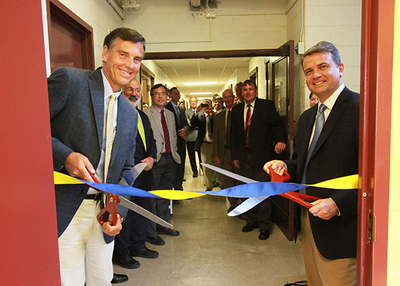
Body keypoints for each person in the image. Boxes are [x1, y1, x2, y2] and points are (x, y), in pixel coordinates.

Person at [48, 27, 145, 286]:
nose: (130, 64)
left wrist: (119, 213)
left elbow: (126, 170)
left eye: (136, 59)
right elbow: (26, 130)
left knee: (102, 280)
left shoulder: (129, 114)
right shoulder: (70, 81)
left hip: (103, 215)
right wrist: (66, 156)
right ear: (105, 53)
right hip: (64, 210)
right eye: (123, 54)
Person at [264, 41, 359, 286]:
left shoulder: (362, 110)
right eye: (308, 71)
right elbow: (301, 164)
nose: (315, 74)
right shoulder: (308, 118)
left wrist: (338, 204)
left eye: (323, 66)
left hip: (340, 225)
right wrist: (284, 165)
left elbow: (378, 175)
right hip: (309, 220)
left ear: (341, 68)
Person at [230, 79, 286, 240]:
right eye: (245, 90)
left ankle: (265, 225)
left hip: (263, 156)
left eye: (251, 89)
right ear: (241, 93)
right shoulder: (237, 109)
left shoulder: (266, 106)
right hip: (244, 155)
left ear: (256, 91)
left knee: (262, 191)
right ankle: (252, 220)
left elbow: (277, 125)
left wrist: (281, 140)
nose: (247, 92)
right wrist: (235, 156)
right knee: (249, 189)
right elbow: (233, 135)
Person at [113, 79, 159, 272]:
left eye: (137, 90)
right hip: (126, 174)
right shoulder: (115, 113)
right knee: (125, 214)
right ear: (122, 91)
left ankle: (138, 245)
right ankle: (123, 253)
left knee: (141, 211)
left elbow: (151, 140)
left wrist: (152, 158)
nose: (134, 93)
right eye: (129, 89)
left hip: (145, 173)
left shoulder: (142, 115)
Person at [144, 84, 181, 244]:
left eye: (163, 94)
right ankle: (151, 231)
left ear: (167, 96)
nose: (160, 97)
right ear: (152, 97)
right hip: (155, 160)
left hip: (170, 159)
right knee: (152, 195)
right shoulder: (146, 114)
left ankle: (163, 224)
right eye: (156, 94)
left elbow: (173, 136)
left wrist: (175, 153)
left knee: (165, 194)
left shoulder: (171, 115)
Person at [213, 89, 239, 211]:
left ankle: (242, 203)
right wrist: (216, 154)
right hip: (225, 152)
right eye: (225, 97)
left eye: (229, 97)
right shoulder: (219, 117)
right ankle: (233, 204)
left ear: (233, 98)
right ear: (223, 100)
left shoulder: (240, 113)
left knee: (239, 179)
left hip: (238, 153)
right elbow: (216, 138)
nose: (227, 99)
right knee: (227, 180)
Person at [165, 87, 188, 191]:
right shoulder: (166, 108)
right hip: (171, 142)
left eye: (178, 93)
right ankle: (172, 193)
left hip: (181, 142)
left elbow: (186, 124)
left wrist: (185, 130)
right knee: (172, 168)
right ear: (169, 95)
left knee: (181, 166)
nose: (177, 95)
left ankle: (179, 189)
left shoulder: (182, 109)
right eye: (175, 93)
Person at [191, 99, 215, 191]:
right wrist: (197, 111)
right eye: (204, 105)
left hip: (215, 144)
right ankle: (209, 186)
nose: (206, 107)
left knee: (217, 165)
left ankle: (220, 183)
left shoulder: (214, 115)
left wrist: (212, 113)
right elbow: (193, 123)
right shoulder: (200, 116)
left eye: (207, 105)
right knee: (205, 166)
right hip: (204, 144)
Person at [185, 96, 202, 177]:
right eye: (192, 101)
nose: (193, 103)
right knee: (191, 156)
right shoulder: (186, 112)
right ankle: (194, 171)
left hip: (199, 137)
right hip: (190, 138)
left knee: (201, 155)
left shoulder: (201, 111)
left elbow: (202, 123)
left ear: (197, 102)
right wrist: (196, 125)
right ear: (189, 102)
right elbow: (189, 124)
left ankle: (202, 170)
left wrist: (194, 124)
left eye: (195, 101)